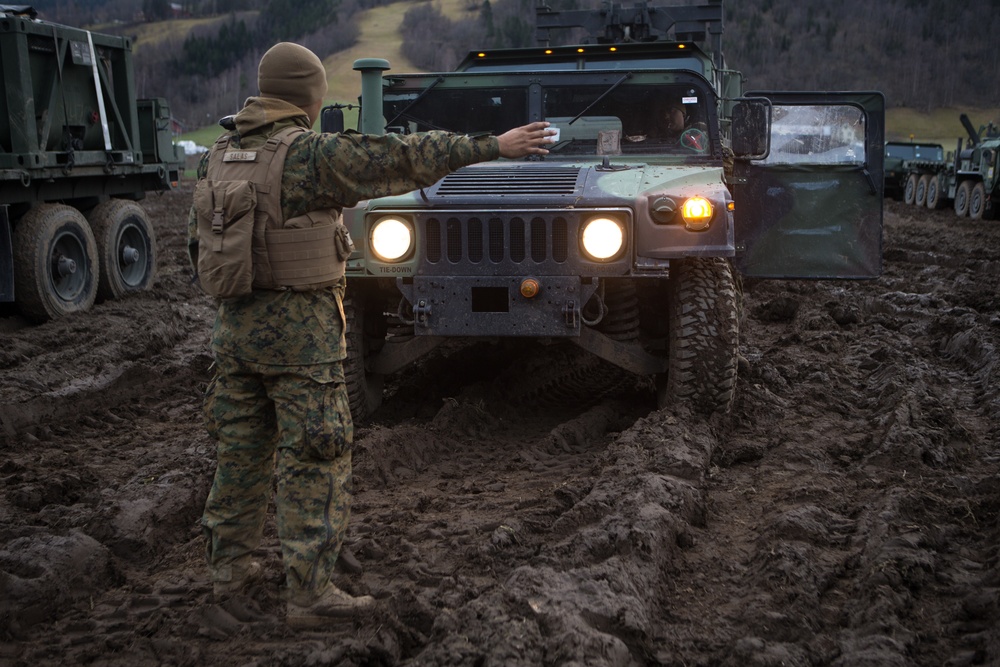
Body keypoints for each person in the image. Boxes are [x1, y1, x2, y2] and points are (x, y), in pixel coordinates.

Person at [187, 42, 554, 628]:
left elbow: (197, 247)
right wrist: (493, 146)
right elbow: (398, 158)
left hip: (235, 336)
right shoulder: (306, 157)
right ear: (308, 97)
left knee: (241, 458)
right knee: (315, 456)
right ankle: (310, 594)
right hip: (302, 344)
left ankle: (228, 578)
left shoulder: (219, 155)